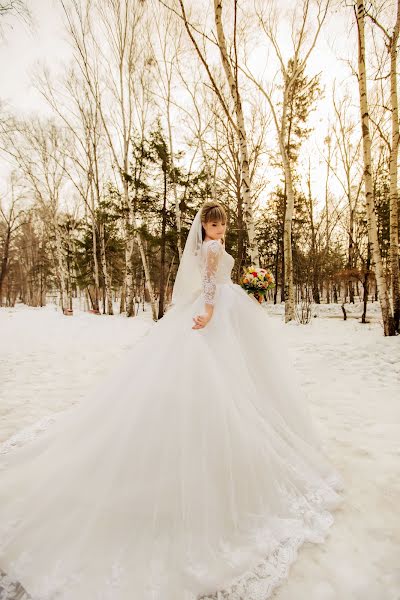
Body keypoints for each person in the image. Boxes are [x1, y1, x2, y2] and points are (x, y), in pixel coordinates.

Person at [0, 201, 344, 600]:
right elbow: (211, 283)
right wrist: (213, 310)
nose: (217, 229)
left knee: (236, 375)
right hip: (214, 311)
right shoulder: (210, 249)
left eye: (222, 224)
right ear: (204, 227)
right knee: (222, 375)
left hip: (220, 308)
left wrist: (246, 290)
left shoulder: (208, 247)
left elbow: (210, 280)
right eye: (212, 224)